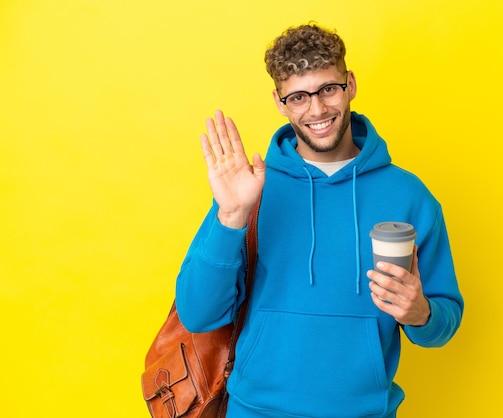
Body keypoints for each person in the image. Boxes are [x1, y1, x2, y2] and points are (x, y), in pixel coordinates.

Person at [175, 23, 464, 417]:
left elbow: (444, 322)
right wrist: (230, 215)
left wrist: (422, 314)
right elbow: (198, 314)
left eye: (328, 89)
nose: (317, 110)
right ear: (280, 103)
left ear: (350, 85)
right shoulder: (249, 191)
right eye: (298, 96)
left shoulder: (409, 196)